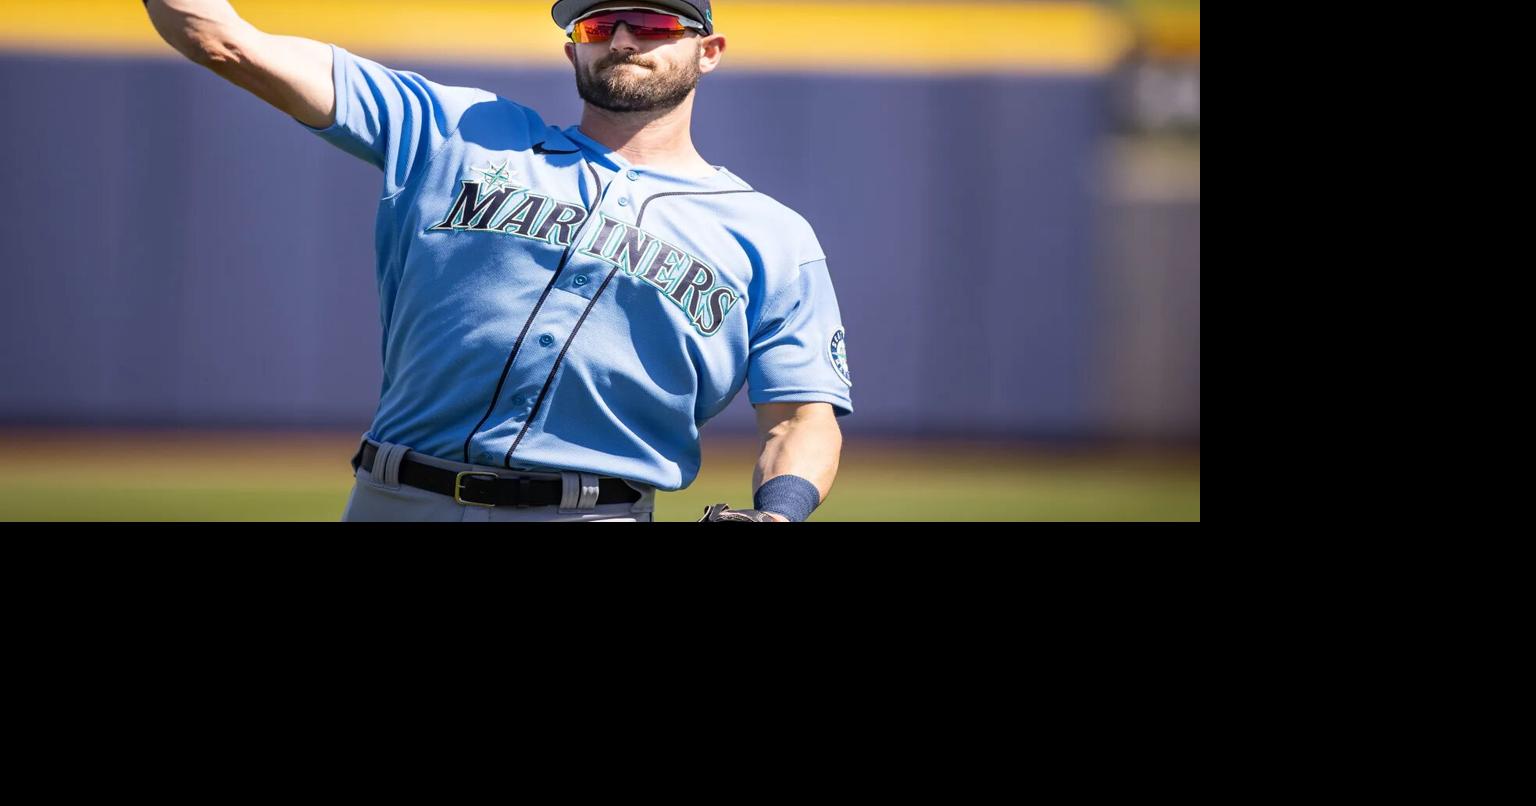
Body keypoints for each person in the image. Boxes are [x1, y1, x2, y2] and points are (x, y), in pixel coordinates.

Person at [143, 0, 852, 522]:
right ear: (572, 50)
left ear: (710, 50)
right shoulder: (457, 129)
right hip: (397, 500)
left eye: (655, 22)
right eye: (599, 26)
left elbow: (800, 420)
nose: (625, 39)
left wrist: (779, 514)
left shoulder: (772, 236)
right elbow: (221, 39)